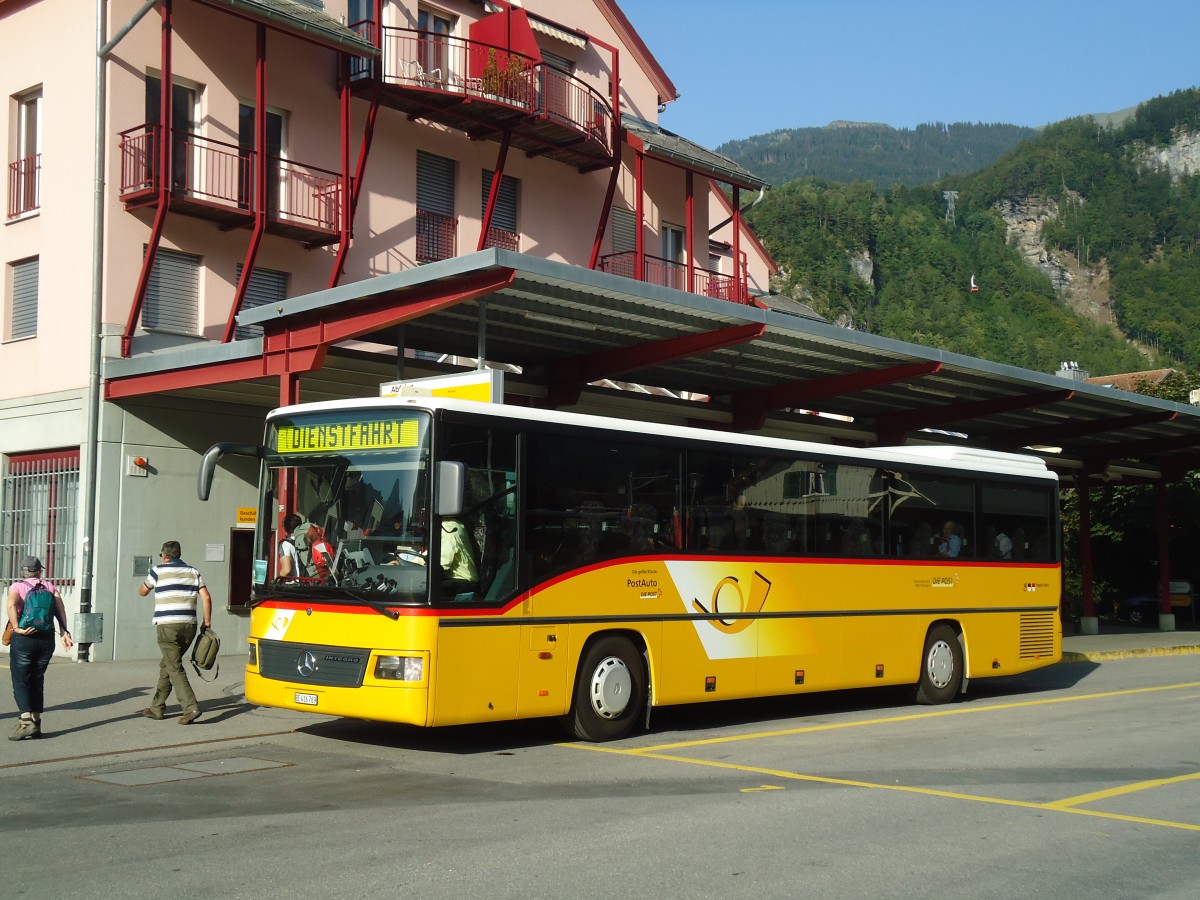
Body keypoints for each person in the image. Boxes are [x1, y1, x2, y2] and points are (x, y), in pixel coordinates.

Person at [138, 540, 212, 724]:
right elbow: (206, 597)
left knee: (174, 667)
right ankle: (157, 708)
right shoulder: (193, 571)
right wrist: (207, 622)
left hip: (167, 626)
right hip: (190, 626)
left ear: (164, 555)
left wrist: (148, 584)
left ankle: (191, 708)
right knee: (168, 665)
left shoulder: (158, 571)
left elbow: (142, 592)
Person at [7, 556, 73, 740]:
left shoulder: (17, 587)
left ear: (22, 571)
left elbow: (12, 604)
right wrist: (64, 632)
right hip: (46, 639)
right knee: (37, 678)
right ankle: (36, 721)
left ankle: (25, 722)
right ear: (39, 571)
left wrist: (17, 627)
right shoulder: (50, 587)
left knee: (21, 679)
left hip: (25, 638)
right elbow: (61, 610)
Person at [277, 513, 302, 580]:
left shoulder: (285, 544)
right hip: (311, 583)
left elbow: (287, 569)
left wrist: (278, 579)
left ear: (285, 528)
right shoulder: (307, 540)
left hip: (296, 585)